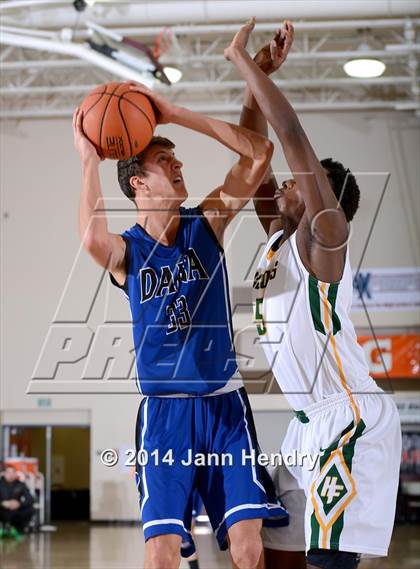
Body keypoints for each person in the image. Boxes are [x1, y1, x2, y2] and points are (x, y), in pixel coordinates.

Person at [73, 71, 288, 568]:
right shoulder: (130, 251)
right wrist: (88, 159)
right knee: (162, 554)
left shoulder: (206, 221)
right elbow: (90, 240)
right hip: (164, 418)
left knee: (250, 547)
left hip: (223, 407)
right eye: (163, 159)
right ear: (136, 182)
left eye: (176, 156)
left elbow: (260, 154)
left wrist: (172, 115)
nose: (178, 163)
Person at [225, 18, 402, 569]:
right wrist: (259, 80)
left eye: (297, 181)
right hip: (307, 423)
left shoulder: (327, 237)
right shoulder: (278, 241)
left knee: (328, 562)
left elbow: (292, 137)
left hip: (348, 415)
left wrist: (243, 62)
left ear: (320, 196)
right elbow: (255, 157)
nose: (283, 181)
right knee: (279, 556)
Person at [0, 465, 34, 537]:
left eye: (13, 472)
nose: (11, 475)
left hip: (16, 511)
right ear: (4, 473)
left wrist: (19, 504)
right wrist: (2, 503)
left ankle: (18, 529)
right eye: (8, 472)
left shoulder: (21, 484)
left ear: (15, 474)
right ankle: (3, 529)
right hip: (2, 510)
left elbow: (30, 498)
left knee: (30, 509)